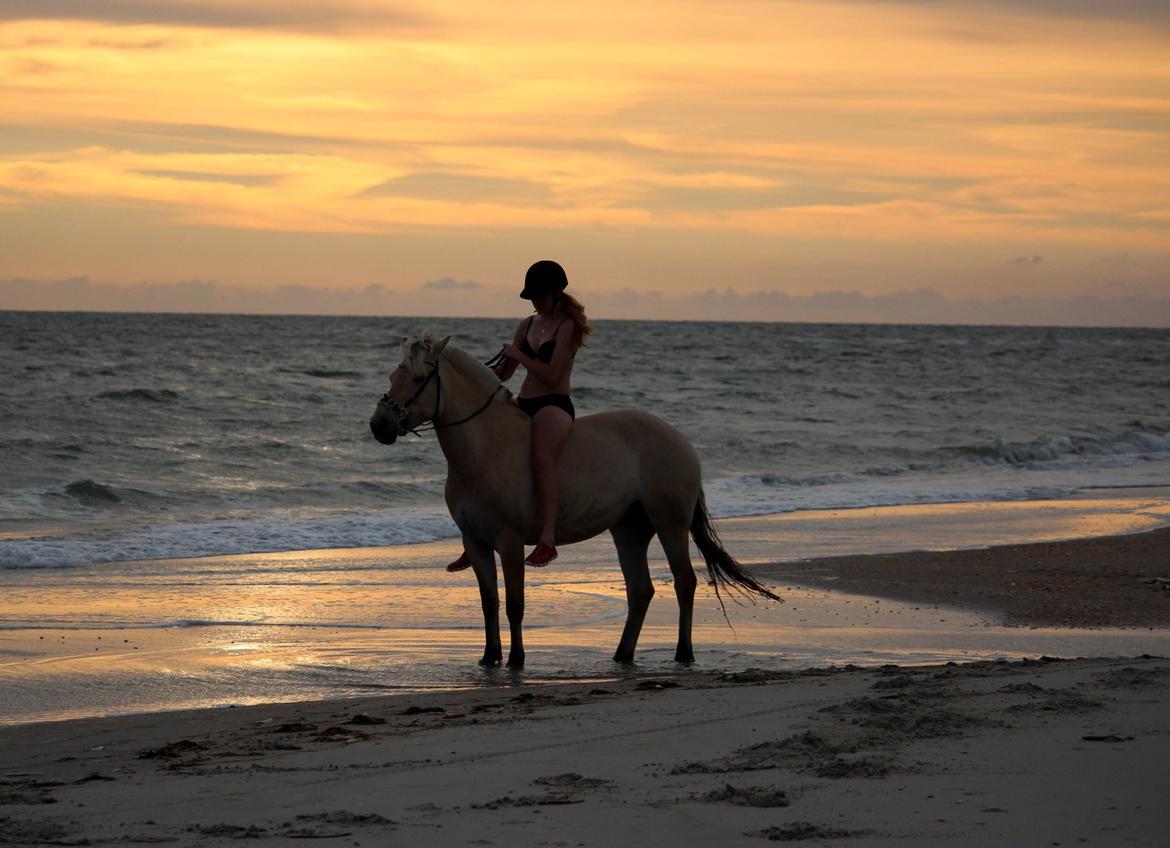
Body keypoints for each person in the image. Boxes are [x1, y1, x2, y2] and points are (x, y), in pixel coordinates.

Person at [447, 259, 592, 571]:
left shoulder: (567, 326)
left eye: (539, 296)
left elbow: (552, 376)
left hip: (554, 404)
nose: (536, 303)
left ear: (556, 293)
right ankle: (473, 539)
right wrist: (469, 375)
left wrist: (521, 355)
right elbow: (505, 373)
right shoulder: (526, 325)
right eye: (532, 298)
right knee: (481, 453)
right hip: (523, 401)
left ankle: (548, 540)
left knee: (541, 459)